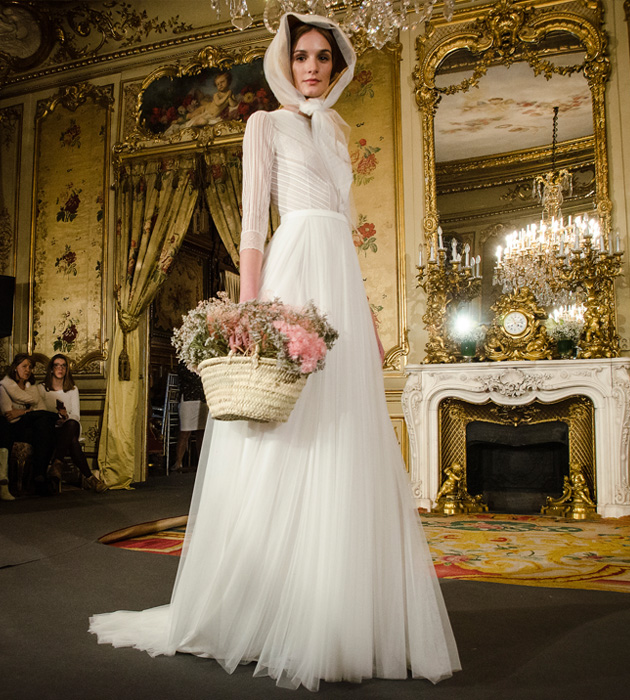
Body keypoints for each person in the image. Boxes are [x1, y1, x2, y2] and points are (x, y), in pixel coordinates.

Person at [90, 13, 460, 690]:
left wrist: (371, 318)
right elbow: (255, 224)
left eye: (323, 56)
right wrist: (250, 313)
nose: (312, 67)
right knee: (283, 428)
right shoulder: (266, 125)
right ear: (284, 63)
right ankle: (263, 606)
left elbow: (347, 233)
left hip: (340, 283)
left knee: (344, 434)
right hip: (291, 271)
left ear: (337, 66)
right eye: (302, 56)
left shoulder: (339, 132)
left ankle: (339, 608)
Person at [39, 353, 108, 493]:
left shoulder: (72, 389)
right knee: (73, 442)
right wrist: (56, 417)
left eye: (63, 366)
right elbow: (39, 412)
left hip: (69, 426)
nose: (60, 368)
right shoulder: (41, 388)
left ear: (66, 370)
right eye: (57, 365)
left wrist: (66, 416)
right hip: (50, 429)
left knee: (71, 424)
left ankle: (57, 464)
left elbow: (76, 416)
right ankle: (89, 478)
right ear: (51, 369)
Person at [0, 353, 57, 495]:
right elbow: (9, 415)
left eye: (30, 367)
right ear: (15, 368)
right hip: (12, 428)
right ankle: (40, 477)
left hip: (29, 429)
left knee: (45, 426)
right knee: (47, 419)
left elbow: (40, 410)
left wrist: (20, 411)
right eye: (24, 366)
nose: (28, 370)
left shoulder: (32, 388)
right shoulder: (4, 387)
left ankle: (39, 476)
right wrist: (28, 411)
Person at [171, 362, 208, 472]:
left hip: (202, 398)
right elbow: (184, 376)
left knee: (201, 432)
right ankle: (178, 462)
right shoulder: (183, 362)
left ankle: (202, 462)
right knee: (184, 432)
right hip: (188, 397)